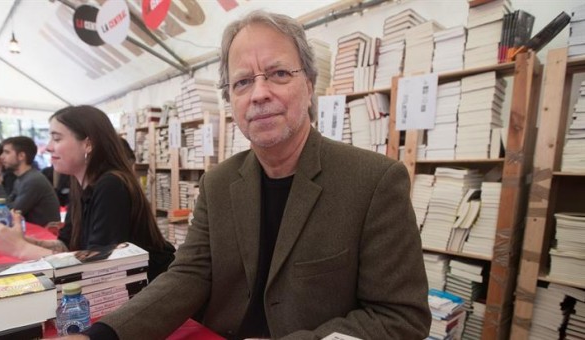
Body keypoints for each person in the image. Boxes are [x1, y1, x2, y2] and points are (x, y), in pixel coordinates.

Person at [68, 10, 430, 340]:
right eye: (242, 82)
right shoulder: (219, 182)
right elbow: (188, 275)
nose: (259, 93)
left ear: (309, 85)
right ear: (230, 100)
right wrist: (101, 335)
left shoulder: (374, 181)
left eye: (279, 74)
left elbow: (399, 317)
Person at [0, 106, 174, 282]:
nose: (48, 147)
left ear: (88, 144)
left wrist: (20, 248)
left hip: (151, 291)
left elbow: (98, 266)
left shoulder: (112, 185)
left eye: (57, 138)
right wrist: (24, 240)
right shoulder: (80, 184)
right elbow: (68, 245)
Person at [0, 136, 60, 226]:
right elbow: (9, 204)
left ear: (21, 156)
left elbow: (12, 212)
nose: (2, 157)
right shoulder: (22, 179)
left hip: (42, 235)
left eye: (7, 152)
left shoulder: (33, 180)